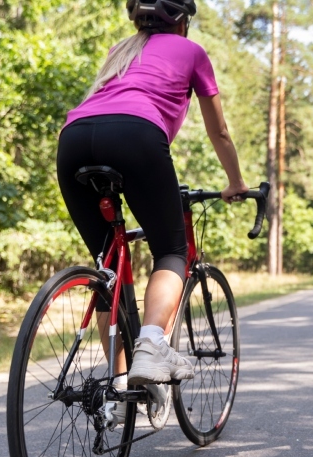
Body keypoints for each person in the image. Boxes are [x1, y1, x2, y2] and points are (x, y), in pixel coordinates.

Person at [56, 0, 248, 422]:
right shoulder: (192, 51)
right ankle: (150, 347)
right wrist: (235, 182)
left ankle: (117, 385)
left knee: (109, 266)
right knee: (171, 252)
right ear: (182, 21)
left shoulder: (121, 50)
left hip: (73, 140)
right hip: (136, 136)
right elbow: (218, 131)